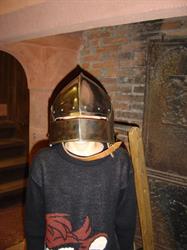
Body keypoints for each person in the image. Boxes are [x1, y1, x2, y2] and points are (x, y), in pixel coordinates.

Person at [25, 66, 137, 250]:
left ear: (104, 119)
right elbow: (34, 221)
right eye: (72, 115)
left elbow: (126, 221)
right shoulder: (43, 162)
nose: (81, 119)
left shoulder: (119, 161)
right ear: (57, 121)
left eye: (89, 115)